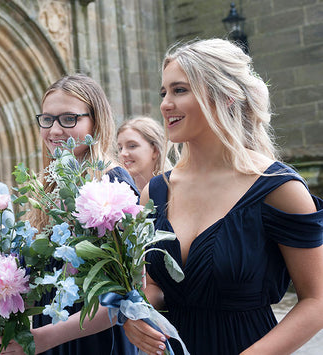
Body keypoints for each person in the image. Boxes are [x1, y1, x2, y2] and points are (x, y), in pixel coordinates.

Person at [122, 38, 323, 354]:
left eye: (180, 90)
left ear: (225, 96)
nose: (165, 104)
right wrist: (133, 314)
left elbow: (316, 300)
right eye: (164, 92)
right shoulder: (156, 193)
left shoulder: (278, 187)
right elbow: (156, 285)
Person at [0, 74, 139, 355]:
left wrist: (46, 338)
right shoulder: (50, 184)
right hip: (51, 331)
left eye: (69, 119)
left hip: (94, 338)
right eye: (47, 119)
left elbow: (124, 293)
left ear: (95, 122)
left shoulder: (113, 181)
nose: (55, 130)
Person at [117, 116, 171, 191]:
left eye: (132, 146)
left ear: (155, 150)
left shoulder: (172, 188)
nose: (123, 153)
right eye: (120, 148)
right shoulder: (118, 191)